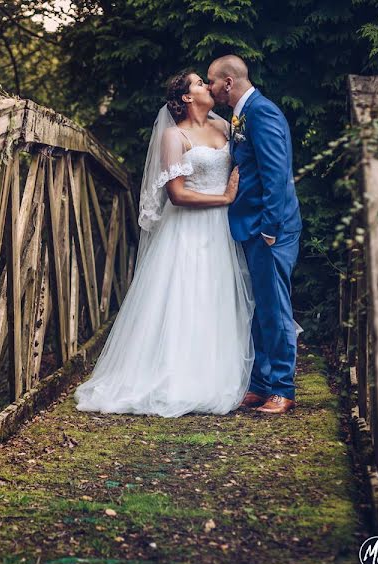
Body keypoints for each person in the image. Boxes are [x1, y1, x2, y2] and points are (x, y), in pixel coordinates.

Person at [73, 71, 255, 417]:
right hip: (188, 228)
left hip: (220, 229)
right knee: (184, 296)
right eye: (200, 83)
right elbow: (177, 194)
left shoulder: (224, 128)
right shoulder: (174, 136)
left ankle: (212, 374)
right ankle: (174, 376)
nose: (207, 86)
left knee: (214, 295)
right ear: (187, 97)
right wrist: (226, 197)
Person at [207, 55, 303, 414]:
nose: (209, 86)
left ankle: (282, 388)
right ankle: (261, 384)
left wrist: (269, 228)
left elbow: (276, 175)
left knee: (275, 306)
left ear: (228, 82)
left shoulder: (261, 113)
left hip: (271, 229)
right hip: (252, 225)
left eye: (212, 81)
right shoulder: (242, 116)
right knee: (260, 306)